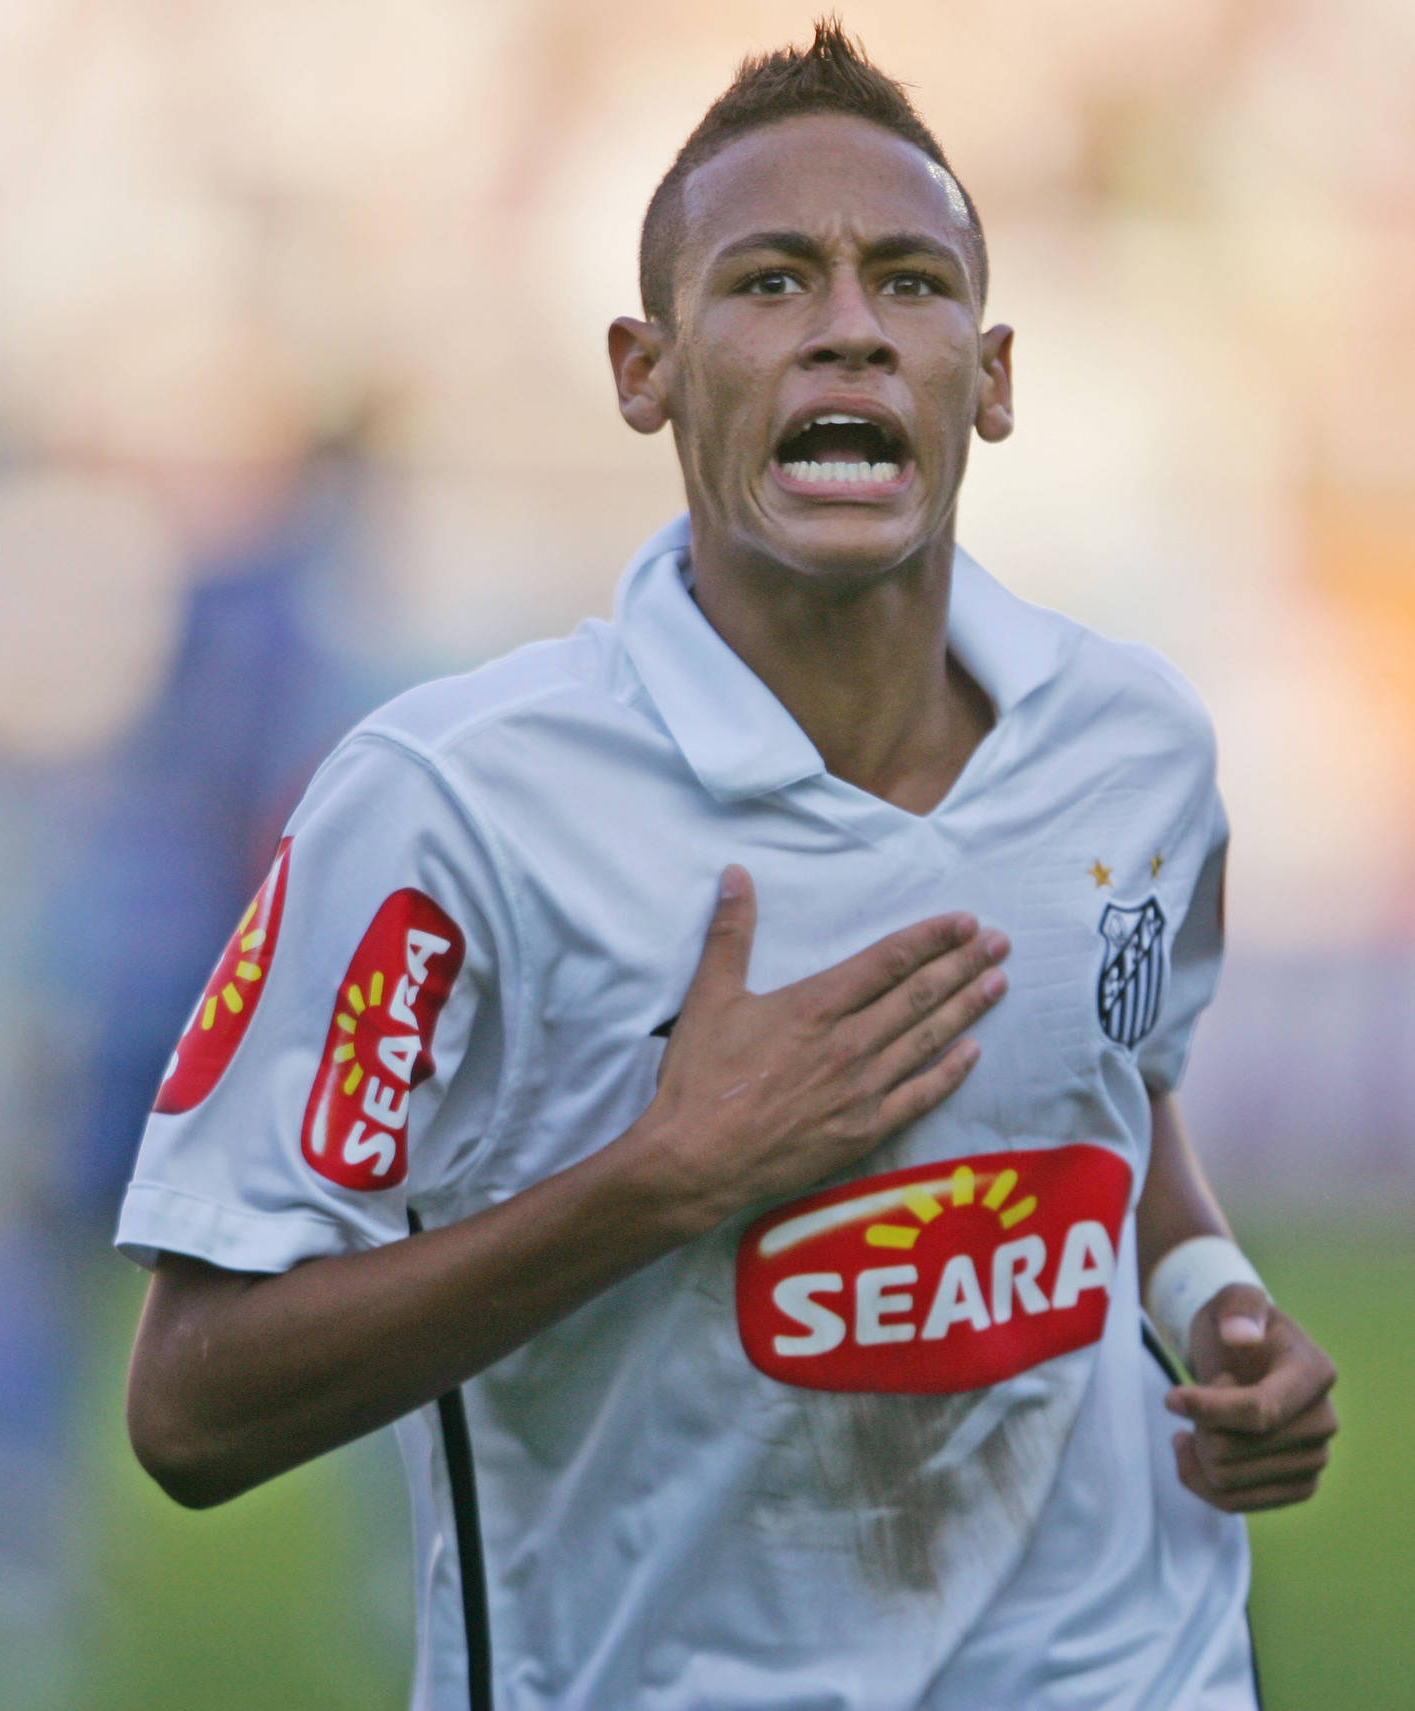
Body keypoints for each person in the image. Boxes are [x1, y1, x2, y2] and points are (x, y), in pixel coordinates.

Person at [120, 22, 1338, 1711]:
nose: (848, 325)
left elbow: (1122, 1104)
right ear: (645, 370)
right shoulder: (450, 809)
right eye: (771, 282)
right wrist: (664, 1179)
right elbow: (191, 1405)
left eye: (908, 283)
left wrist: (1215, 1306)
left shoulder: (1138, 747)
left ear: (985, 377)